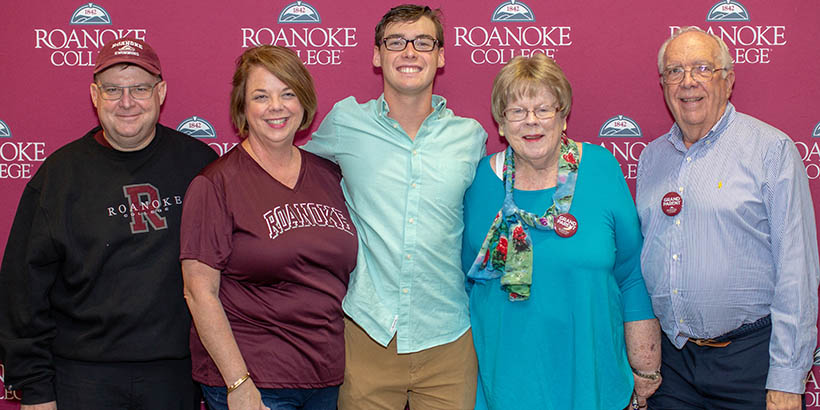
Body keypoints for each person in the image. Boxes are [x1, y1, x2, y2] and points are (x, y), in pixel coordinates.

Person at [0, 37, 217, 410]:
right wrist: (35, 390)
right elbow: (23, 290)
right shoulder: (59, 175)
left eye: (140, 88)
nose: (127, 102)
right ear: (94, 94)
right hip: (81, 378)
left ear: (161, 92)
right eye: (113, 89)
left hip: (176, 378)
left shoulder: (200, 165)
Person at [301, 4, 487, 409]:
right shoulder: (345, 122)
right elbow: (290, 174)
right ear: (376, 54)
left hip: (449, 340)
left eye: (423, 42)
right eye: (395, 42)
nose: (409, 52)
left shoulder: (470, 138)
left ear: (440, 56)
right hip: (366, 336)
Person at [461, 53, 661, 410]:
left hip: (592, 379)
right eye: (517, 111)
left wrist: (645, 369)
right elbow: (463, 284)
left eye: (543, 109)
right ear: (501, 124)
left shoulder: (600, 168)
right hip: (505, 385)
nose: (531, 122)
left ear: (563, 116)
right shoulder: (477, 182)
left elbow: (630, 275)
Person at [637, 26, 820, 410]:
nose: (688, 82)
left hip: (749, 362)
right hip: (674, 366)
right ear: (662, 83)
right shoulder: (652, 158)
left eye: (703, 68)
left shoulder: (771, 150)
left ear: (728, 79)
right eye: (675, 71)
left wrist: (787, 379)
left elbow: (797, 273)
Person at [180, 45, 357, 410]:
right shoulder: (216, 184)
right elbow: (199, 293)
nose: (276, 106)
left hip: (326, 376)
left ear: (304, 103)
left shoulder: (329, 175)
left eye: (288, 93)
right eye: (261, 96)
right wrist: (238, 383)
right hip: (258, 383)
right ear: (243, 109)